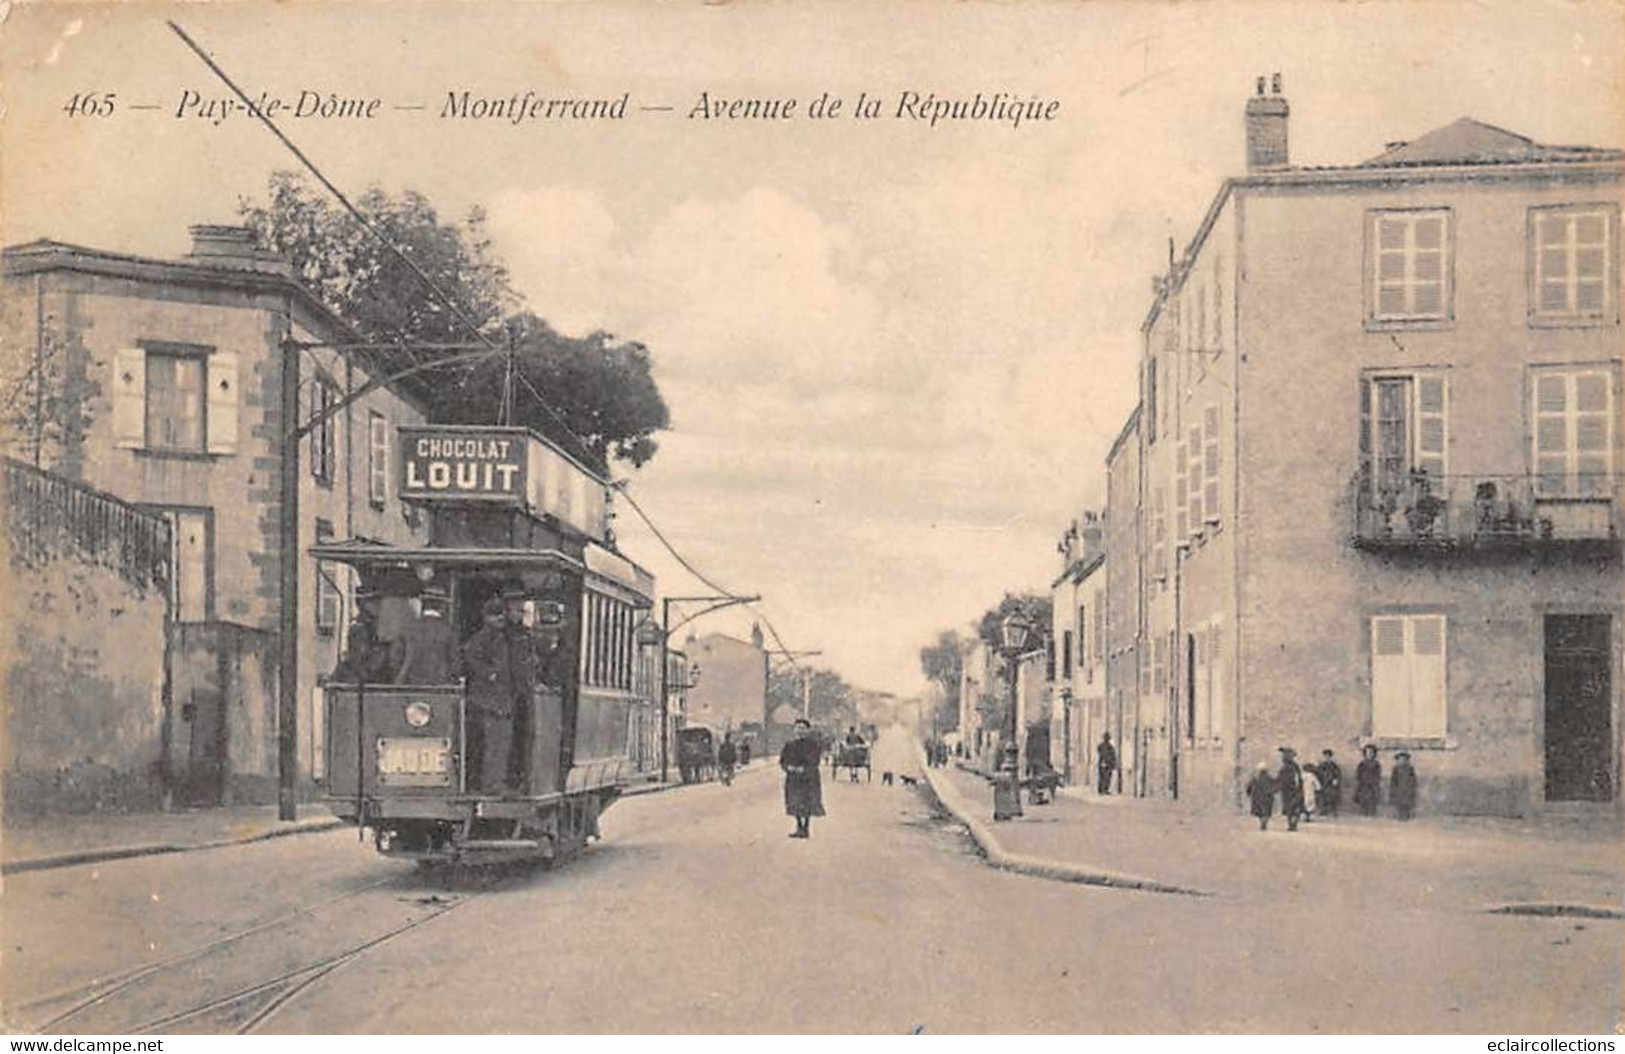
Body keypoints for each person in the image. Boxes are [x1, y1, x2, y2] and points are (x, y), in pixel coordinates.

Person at [460, 597, 523, 794]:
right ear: (488, 617)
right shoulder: (485, 637)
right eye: (497, 615)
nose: (501, 619)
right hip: (491, 701)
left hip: (495, 700)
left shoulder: (497, 636)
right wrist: (490, 673)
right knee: (496, 743)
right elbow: (470, 656)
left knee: (495, 744)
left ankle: (492, 783)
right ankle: (492, 785)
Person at [393, 587, 457, 684]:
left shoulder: (408, 628)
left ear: (423, 604)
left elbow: (395, 658)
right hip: (440, 684)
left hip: (410, 683)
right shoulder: (448, 631)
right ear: (443, 606)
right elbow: (454, 662)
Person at [333, 591, 393, 683]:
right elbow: (359, 658)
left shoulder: (378, 624)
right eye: (374, 601)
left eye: (379, 601)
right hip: (361, 681)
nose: (379, 604)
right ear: (364, 604)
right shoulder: (360, 627)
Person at [780, 718, 825, 838]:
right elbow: (783, 760)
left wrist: (804, 769)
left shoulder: (813, 745)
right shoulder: (789, 745)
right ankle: (799, 826)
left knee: (807, 803)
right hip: (793, 779)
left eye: (803, 728)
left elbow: (815, 761)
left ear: (808, 730)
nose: (800, 731)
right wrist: (788, 768)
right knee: (795, 802)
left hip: (808, 779)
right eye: (798, 728)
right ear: (794, 730)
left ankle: (806, 827)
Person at [1276, 746, 1305, 832]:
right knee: (1291, 808)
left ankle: (1293, 824)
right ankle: (1292, 824)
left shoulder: (1289, 767)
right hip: (1290, 790)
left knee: (1292, 807)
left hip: (1291, 790)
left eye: (1284, 755)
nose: (1282, 757)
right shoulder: (1292, 766)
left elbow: (1285, 779)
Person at [1245, 762, 1276, 831]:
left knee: (1260, 812)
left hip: (1257, 797)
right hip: (1268, 797)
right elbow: (1275, 786)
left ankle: (1262, 821)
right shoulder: (1269, 778)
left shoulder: (1255, 778)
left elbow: (1249, 787)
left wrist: (1248, 793)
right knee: (1266, 811)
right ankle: (1264, 822)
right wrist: (1273, 793)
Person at [1355, 744, 1382, 817]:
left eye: (1371, 752)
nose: (1370, 754)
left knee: (1372, 802)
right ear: (1365, 754)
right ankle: (1363, 815)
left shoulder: (1376, 764)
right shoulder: (1362, 764)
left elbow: (1378, 776)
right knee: (1363, 802)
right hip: (1363, 786)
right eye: (1368, 752)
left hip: (1373, 787)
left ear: (1374, 754)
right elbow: (1358, 775)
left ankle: (1372, 816)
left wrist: (1375, 783)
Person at [1391, 751, 1418, 820]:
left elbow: (1413, 780)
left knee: (1407, 805)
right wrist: (1394, 790)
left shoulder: (1410, 769)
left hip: (1407, 790)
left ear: (1406, 760)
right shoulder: (1396, 769)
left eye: (1404, 759)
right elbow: (1393, 781)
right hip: (1399, 790)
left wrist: (1412, 789)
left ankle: (1407, 817)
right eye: (1400, 759)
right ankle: (1400, 817)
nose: (1402, 761)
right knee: (1399, 805)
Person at [1317, 749, 1342, 817]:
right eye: (1325, 756)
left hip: (1331, 785)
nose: (1327, 758)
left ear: (1331, 757)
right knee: (1323, 797)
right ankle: (1323, 811)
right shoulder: (1321, 766)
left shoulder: (1334, 766)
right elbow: (1318, 774)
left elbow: (1338, 774)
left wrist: (1336, 780)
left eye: (1328, 756)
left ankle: (1333, 811)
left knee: (1332, 797)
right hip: (1323, 784)